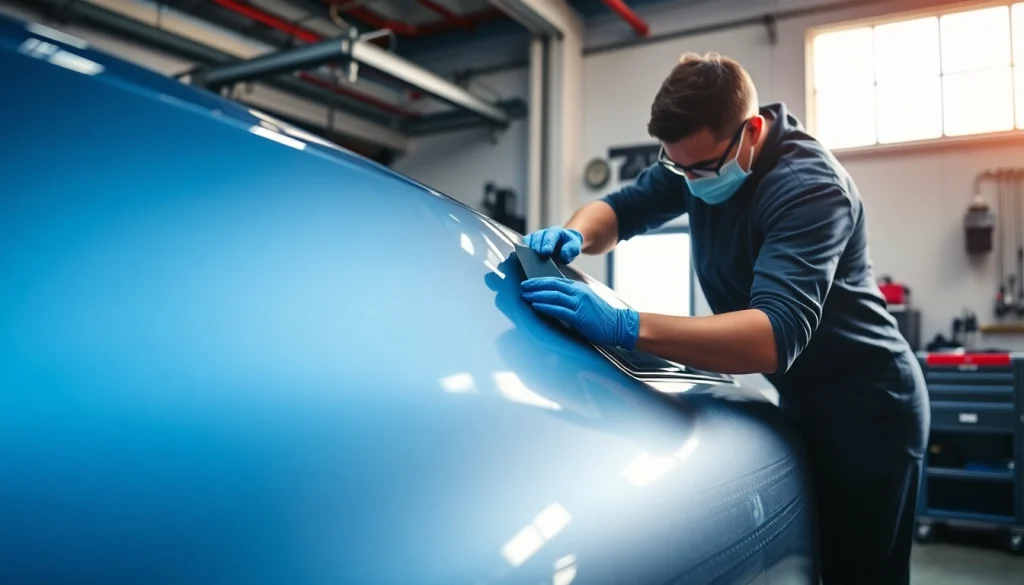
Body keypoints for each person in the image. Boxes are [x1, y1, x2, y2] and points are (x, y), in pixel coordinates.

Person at [519, 52, 930, 585]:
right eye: (677, 167)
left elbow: (772, 336)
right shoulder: (698, 161)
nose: (689, 181)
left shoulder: (808, 187)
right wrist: (573, 234)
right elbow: (621, 210)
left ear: (751, 132)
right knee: (819, 566)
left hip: (871, 407)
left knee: (861, 573)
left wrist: (625, 325)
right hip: (807, 395)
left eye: (700, 168)